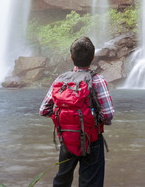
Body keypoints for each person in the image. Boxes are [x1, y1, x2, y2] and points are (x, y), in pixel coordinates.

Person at [39, 36, 114, 187]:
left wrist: (65, 117)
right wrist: (94, 119)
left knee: (62, 180)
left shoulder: (60, 80)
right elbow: (107, 115)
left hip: (66, 138)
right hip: (92, 139)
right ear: (93, 58)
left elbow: (43, 110)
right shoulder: (98, 80)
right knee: (90, 182)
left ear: (71, 57)